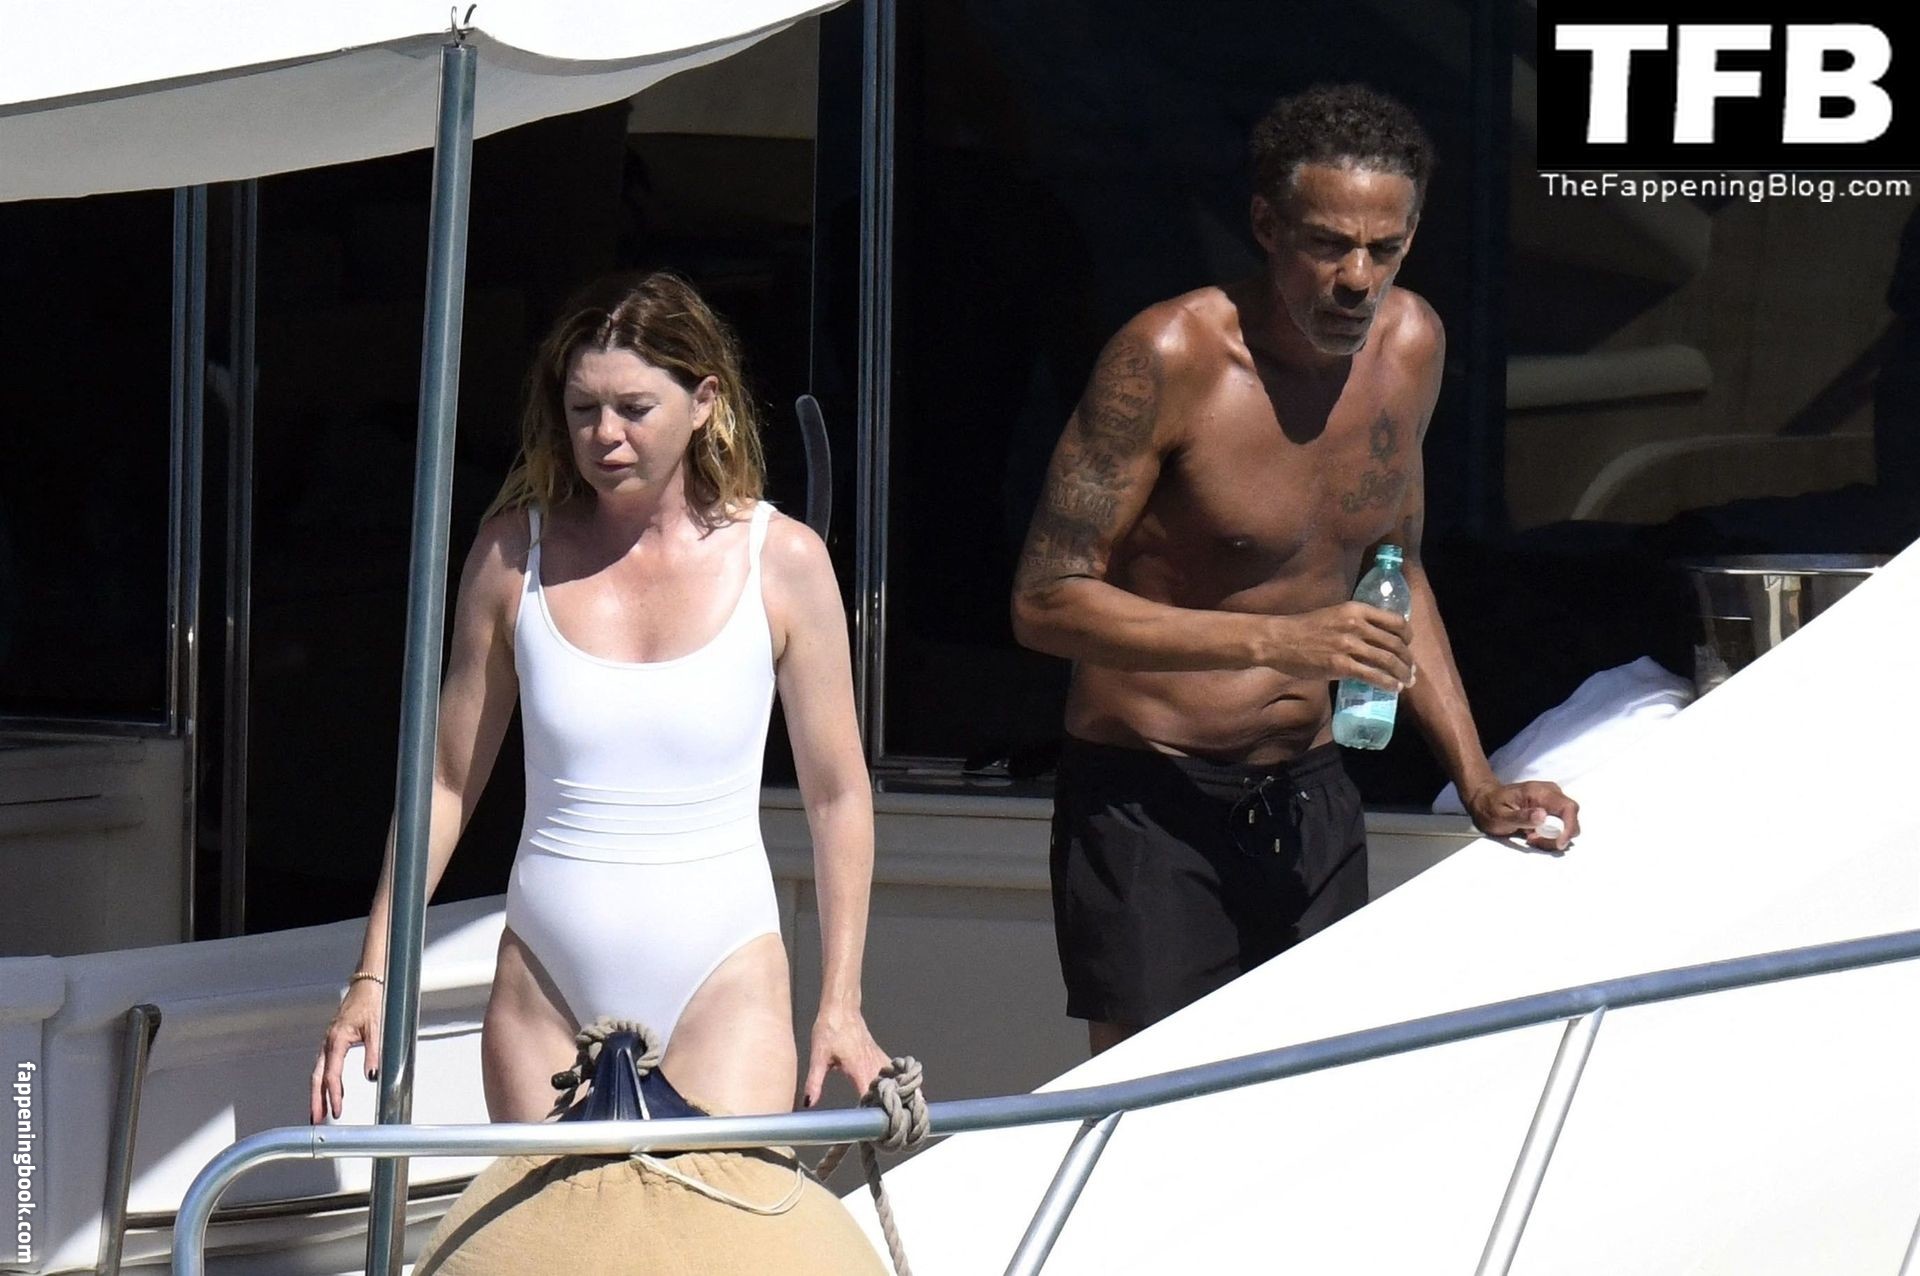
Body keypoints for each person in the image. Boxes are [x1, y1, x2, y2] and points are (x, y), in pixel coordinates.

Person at [1010, 84, 1581, 1055]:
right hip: (1152, 796)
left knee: (1312, 1095)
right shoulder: (1169, 357)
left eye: (1384, 249)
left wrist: (1479, 780)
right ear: (1267, 226)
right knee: (1152, 1103)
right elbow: (1045, 602)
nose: (1358, 278)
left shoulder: (1411, 346)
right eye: (1327, 244)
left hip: (1311, 791)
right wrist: (1279, 639)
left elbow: (1397, 568)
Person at [312, 271, 888, 1123]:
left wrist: (841, 1003)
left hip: (723, 974)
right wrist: (374, 973)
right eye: (583, 409)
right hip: (546, 980)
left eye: (633, 409)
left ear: (704, 402)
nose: (605, 435)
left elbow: (837, 796)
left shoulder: (783, 560)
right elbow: (444, 781)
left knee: (716, 1215)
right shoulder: (511, 557)